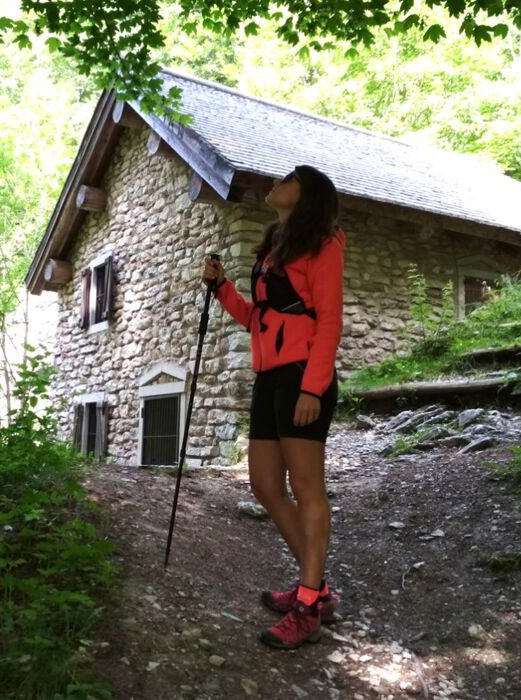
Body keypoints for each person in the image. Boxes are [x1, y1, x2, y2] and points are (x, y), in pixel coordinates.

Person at [201, 165, 345, 649]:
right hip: (269, 378)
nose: (274, 183)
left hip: (304, 378)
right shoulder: (273, 244)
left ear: (306, 194)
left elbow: (328, 321)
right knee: (264, 484)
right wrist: (223, 288)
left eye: (287, 178)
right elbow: (257, 318)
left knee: (307, 487)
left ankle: (307, 605)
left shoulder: (323, 244)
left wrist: (313, 386)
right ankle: (317, 588)